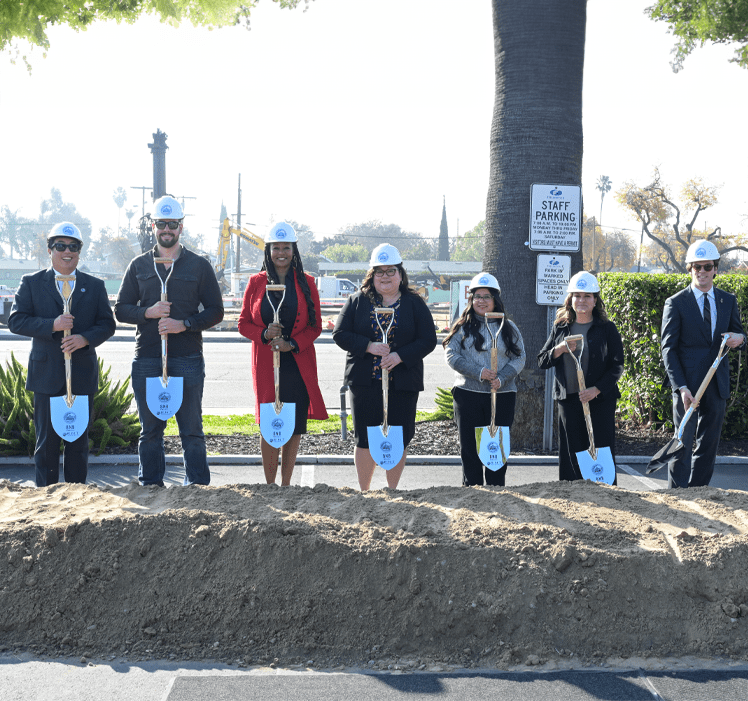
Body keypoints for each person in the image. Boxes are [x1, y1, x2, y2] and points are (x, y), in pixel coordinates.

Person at [114, 196, 224, 487]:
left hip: (187, 358)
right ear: (153, 225)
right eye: (161, 224)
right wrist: (147, 312)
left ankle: (197, 488)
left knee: (191, 430)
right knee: (150, 430)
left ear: (181, 226)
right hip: (148, 358)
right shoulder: (138, 266)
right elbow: (121, 308)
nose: (166, 230)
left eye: (172, 224)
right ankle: (151, 485)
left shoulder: (199, 266)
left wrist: (184, 324)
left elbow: (216, 311)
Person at [8, 222, 116, 487]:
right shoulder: (32, 283)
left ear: (79, 250)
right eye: (60, 246)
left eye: (73, 246)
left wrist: (84, 339)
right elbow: (16, 320)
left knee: (78, 443)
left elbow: (107, 324)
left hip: (80, 375)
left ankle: (76, 497)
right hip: (46, 376)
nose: (67, 251)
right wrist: (52, 325)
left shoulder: (94, 285)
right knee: (46, 445)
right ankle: (46, 498)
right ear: (50, 249)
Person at [333, 243, 437, 490]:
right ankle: (365, 491)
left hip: (402, 383)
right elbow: (340, 333)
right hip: (365, 383)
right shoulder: (357, 301)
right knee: (366, 439)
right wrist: (368, 346)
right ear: (372, 275)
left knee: (398, 437)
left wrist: (400, 356)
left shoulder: (414, 303)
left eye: (391, 271)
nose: (385, 277)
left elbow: (428, 340)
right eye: (379, 271)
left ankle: (392, 491)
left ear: (400, 274)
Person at [238, 221, 328, 485]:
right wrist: (264, 334)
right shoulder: (255, 283)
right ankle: (269, 485)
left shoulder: (307, 282)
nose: (281, 253)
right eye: (276, 247)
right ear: (268, 250)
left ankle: (286, 483)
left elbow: (316, 326)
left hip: (296, 364)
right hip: (268, 364)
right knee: (270, 424)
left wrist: (293, 344)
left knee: (293, 425)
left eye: (286, 247)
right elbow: (243, 323)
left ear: (293, 250)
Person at [661, 240, 746, 489]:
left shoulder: (727, 301)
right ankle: (677, 495)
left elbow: (739, 336)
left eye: (707, 266)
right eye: (696, 267)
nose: (702, 272)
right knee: (683, 441)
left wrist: (739, 340)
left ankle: (699, 493)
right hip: (687, 387)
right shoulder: (676, 303)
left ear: (715, 269)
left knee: (708, 444)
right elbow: (668, 349)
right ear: (689, 269)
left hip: (716, 384)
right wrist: (681, 387)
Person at [538, 271, 624, 482]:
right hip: (569, 399)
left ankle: (605, 490)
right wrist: (559, 349)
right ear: (570, 299)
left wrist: (597, 390)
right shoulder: (560, 327)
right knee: (572, 449)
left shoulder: (606, 329)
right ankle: (572, 493)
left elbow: (617, 365)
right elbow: (542, 360)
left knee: (601, 447)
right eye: (577, 296)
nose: (582, 300)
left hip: (600, 399)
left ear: (595, 300)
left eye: (587, 296)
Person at [443, 272, 525, 487]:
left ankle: (497, 490)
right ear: (471, 299)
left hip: (502, 395)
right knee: (470, 449)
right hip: (467, 395)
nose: (481, 301)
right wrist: (479, 372)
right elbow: (451, 355)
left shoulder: (508, 327)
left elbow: (520, 357)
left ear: (495, 299)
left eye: (486, 296)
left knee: (496, 449)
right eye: (477, 296)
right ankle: (472, 492)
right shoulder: (462, 327)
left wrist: (503, 377)